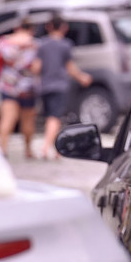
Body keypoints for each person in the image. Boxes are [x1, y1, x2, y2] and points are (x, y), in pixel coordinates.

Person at [37, 14, 92, 160]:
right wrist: (82, 77)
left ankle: (57, 150)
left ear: (49, 27)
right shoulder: (65, 44)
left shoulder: (42, 44)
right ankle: (45, 147)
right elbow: (70, 67)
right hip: (60, 85)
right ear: (63, 28)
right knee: (54, 117)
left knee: (52, 116)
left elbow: (37, 67)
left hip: (45, 85)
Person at [0, 18, 41, 158]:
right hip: (28, 87)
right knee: (28, 120)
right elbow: (37, 68)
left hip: (8, 85)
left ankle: (2, 148)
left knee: (7, 118)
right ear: (32, 29)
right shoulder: (35, 44)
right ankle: (28, 150)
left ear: (17, 28)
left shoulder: (3, 42)